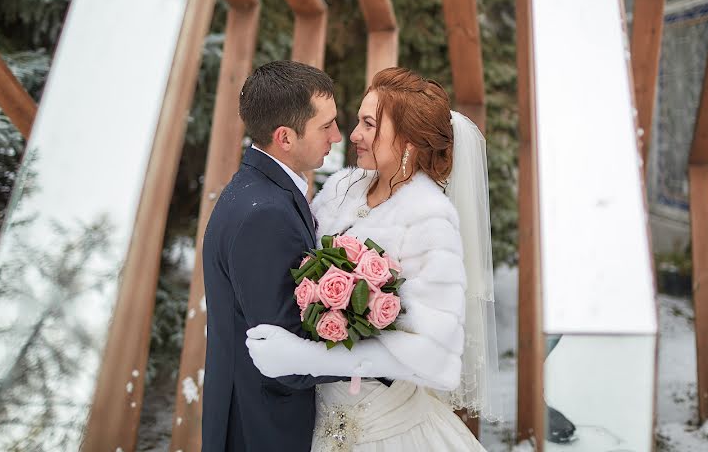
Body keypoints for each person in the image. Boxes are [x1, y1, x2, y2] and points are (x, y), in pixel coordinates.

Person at [246, 67, 501, 450]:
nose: (352, 135)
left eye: (369, 124)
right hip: (319, 425)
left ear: (408, 141)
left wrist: (305, 357)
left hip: (389, 432)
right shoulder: (340, 190)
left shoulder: (428, 218)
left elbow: (434, 358)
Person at [202, 61, 344, 451]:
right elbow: (282, 356)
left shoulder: (257, 189)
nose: (337, 135)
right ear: (285, 137)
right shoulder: (265, 213)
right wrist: (377, 356)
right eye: (325, 126)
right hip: (260, 430)